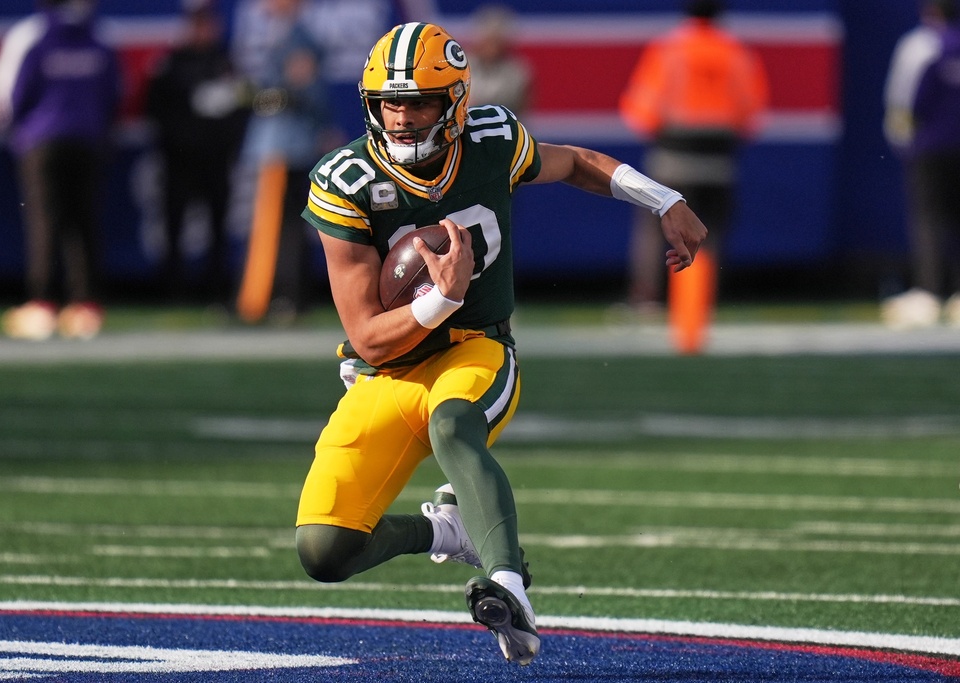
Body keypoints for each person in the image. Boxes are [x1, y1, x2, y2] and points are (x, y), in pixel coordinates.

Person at [294, 22, 707, 665]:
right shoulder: (345, 179)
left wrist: (661, 198)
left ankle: (508, 586)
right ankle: (444, 529)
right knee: (324, 550)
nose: (402, 118)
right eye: (389, 102)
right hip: (387, 372)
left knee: (454, 427)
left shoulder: (491, 138)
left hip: (475, 348)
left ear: (456, 102)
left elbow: (574, 162)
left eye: (421, 101)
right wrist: (440, 297)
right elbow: (369, 340)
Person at [618, 0, 768, 324]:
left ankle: (647, 300)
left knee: (654, 227)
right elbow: (751, 116)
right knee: (708, 234)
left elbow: (640, 113)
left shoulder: (668, 49)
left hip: (671, 160)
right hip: (719, 163)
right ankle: (697, 307)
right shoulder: (737, 52)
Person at [0, 0, 121, 340]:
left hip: (42, 142)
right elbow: (115, 91)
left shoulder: (30, 34)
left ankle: (43, 305)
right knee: (85, 220)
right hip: (88, 139)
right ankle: (86, 306)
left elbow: (7, 96)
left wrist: (23, 133)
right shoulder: (98, 34)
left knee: (44, 220)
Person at [230, 0, 332, 323]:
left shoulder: (297, 39)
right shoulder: (289, 35)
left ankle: (268, 299)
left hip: (284, 145)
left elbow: (294, 94)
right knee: (287, 226)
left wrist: (251, 96)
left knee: (276, 228)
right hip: (289, 144)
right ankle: (288, 297)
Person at [145, 0, 248, 305]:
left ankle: (216, 289)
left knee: (218, 225)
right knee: (174, 225)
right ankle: (172, 289)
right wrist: (179, 141)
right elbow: (156, 111)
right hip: (180, 161)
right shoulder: (171, 63)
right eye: (196, 24)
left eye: (207, 23)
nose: (203, 30)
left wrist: (229, 143)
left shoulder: (227, 62)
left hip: (216, 160)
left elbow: (247, 106)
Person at [881, 0, 960, 329]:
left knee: (927, 218)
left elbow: (901, 103)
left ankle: (930, 292)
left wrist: (903, 144)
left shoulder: (919, 45)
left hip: (929, 147)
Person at [465, 4, 532, 117]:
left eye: (497, 40)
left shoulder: (519, 72)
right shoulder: (462, 67)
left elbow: (518, 106)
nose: (492, 46)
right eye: (488, 38)